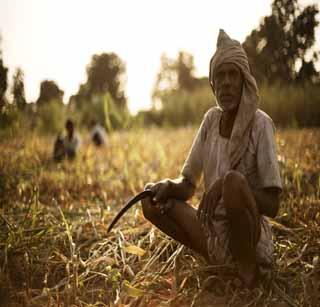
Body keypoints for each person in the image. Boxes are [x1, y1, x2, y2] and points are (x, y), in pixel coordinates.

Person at [141, 29, 282, 288]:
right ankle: (220, 263)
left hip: (249, 240)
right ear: (213, 83)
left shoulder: (261, 124)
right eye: (220, 75)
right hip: (212, 234)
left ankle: (247, 274)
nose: (226, 82)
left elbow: (272, 204)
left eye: (233, 74)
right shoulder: (210, 121)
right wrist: (167, 186)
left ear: (244, 81)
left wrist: (229, 187)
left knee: (232, 182)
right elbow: (187, 183)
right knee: (151, 205)